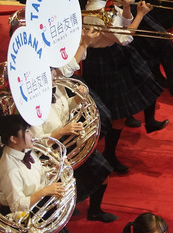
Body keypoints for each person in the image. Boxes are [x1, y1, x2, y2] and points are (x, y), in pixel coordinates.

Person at [78, 0, 167, 173]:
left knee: (124, 105)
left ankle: (114, 145)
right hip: (104, 61)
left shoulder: (106, 5)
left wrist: (127, 7)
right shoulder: (98, 13)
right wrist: (141, 14)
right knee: (113, 112)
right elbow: (126, 37)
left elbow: (124, 23)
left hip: (113, 55)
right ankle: (108, 152)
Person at [31, 73, 116, 223]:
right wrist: (61, 132)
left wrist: (78, 98)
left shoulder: (58, 85)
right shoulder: (31, 104)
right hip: (49, 153)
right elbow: (36, 142)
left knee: (103, 171)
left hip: (69, 140)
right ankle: (69, 208)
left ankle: (95, 211)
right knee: (64, 189)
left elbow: (66, 106)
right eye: (52, 72)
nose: (57, 74)